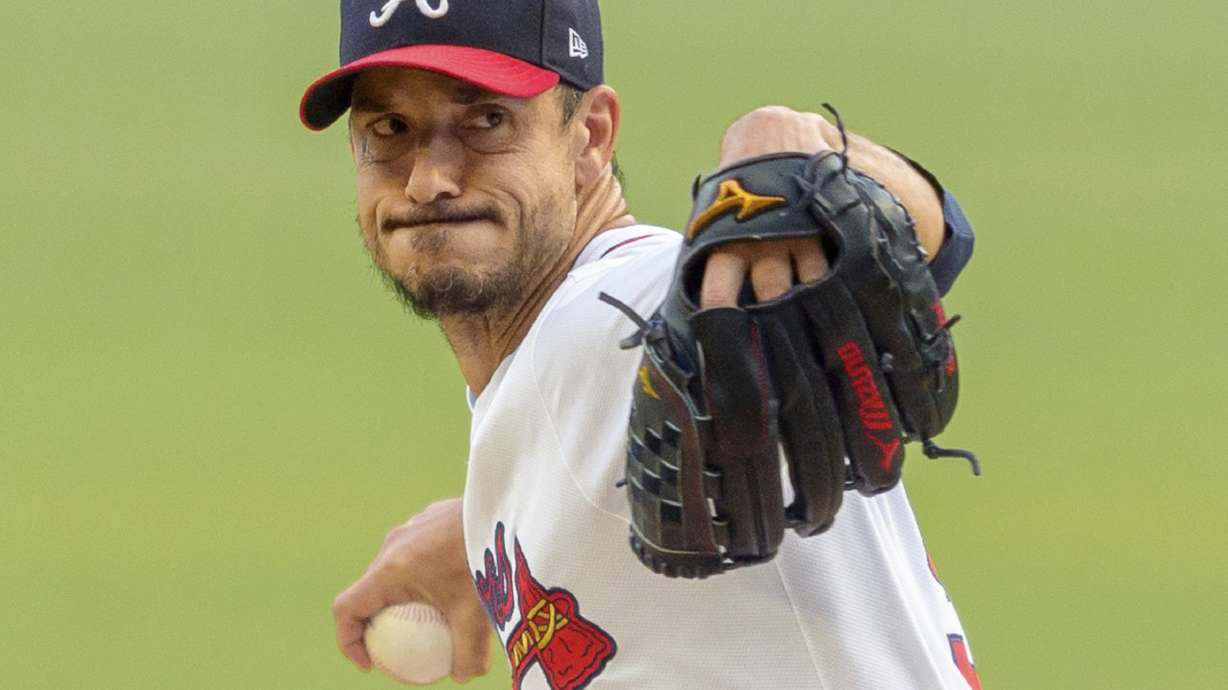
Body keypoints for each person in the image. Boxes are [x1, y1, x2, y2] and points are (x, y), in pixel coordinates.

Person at [301, 1, 981, 688]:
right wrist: (486, 522)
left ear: (590, 137)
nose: (428, 180)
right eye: (389, 128)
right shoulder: (548, 370)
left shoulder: (622, 308)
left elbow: (891, 250)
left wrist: (808, 160)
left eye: (486, 120)